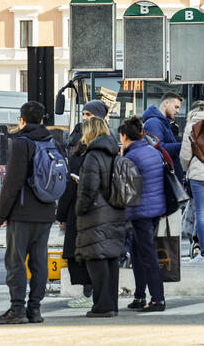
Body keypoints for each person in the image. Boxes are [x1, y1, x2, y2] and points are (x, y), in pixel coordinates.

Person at [0, 102, 57, 324]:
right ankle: (35, 309)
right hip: (46, 211)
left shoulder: (21, 143)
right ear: (41, 120)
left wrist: (1, 215)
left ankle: (17, 309)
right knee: (39, 262)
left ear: (22, 120)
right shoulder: (51, 141)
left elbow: (12, 183)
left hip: (22, 213)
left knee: (16, 262)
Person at [57, 101, 109, 309]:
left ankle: (89, 292)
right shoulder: (107, 146)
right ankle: (93, 293)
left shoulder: (85, 150)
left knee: (80, 252)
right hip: (101, 209)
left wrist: (61, 214)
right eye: (84, 113)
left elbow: (72, 184)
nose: (84, 117)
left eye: (88, 114)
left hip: (81, 208)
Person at [75, 117, 124, 318]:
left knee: (96, 259)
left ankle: (102, 306)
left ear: (90, 133)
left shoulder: (93, 156)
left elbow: (88, 188)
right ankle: (111, 304)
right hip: (115, 210)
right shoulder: (114, 152)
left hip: (96, 214)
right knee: (111, 258)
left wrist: (79, 208)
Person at [120, 117, 167, 312]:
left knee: (146, 255)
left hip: (140, 211)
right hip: (155, 209)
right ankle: (140, 295)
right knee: (139, 254)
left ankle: (157, 298)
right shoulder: (152, 151)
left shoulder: (131, 157)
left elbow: (126, 188)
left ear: (124, 136)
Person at [180, 101, 204, 264]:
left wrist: (187, 169)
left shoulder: (190, 127)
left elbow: (185, 155)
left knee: (200, 212)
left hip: (197, 173)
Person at [143, 92, 184, 180]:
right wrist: (183, 146)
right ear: (166, 103)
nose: (178, 111)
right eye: (176, 107)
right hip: (165, 178)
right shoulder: (154, 123)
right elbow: (159, 148)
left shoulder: (162, 123)